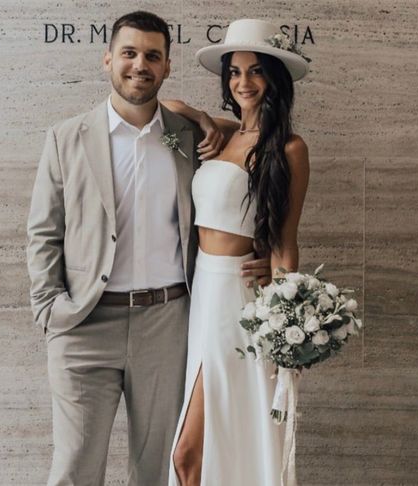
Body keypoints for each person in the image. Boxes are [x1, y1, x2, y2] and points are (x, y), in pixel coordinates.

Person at [26, 11, 272, 486]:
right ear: (108, 60)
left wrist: (260, 255)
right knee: (75, 467)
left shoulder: (191, 138)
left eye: (152, 56)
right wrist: (50, 308)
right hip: (84, 325)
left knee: (158, 468)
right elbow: (43, 233)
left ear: (166, 66)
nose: (140, 65)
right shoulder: (66, 138)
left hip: (168, 323)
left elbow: (243, 178)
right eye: (129, 53)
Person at [162, 19, 311, 486]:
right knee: (202, 447)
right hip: (201, 291)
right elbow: (165, 109)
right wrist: (204, 118)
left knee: (188, 453)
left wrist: (286, 330)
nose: (243, 82)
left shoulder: (289, 149)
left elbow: (285, 241)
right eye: (234, 72)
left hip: (239, 299)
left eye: (255, 71)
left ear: (275, 78)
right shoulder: (223, 134)